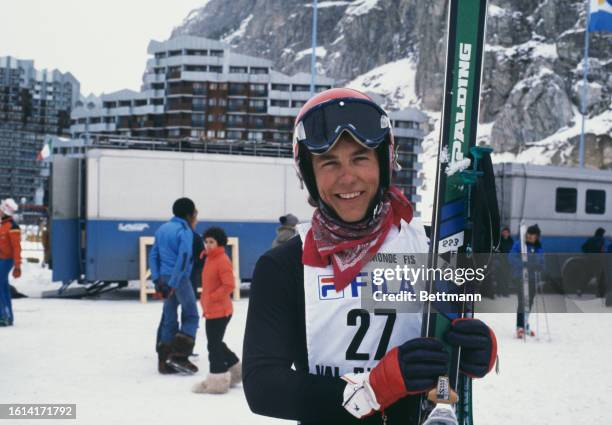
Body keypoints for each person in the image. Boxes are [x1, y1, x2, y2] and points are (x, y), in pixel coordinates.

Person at [242, 88, 497, 424]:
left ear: (384, 161)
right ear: (308, 174)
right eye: (328, 162)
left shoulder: (431, 247)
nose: (347, 177)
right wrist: (373, 389)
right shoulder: (283, 266)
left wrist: (475, 351)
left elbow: (448, 342)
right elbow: (263, 387)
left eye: (360, 157)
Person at [149, 197, 200, 374]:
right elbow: (184, 257)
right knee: (192, 315)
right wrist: (174, 282)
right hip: (179, 278)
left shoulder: (162, 229)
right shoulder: (184, 230)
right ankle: (179, 357)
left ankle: (164, 361)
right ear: (189, 214)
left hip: (163, 277)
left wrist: (157, 280)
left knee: (170, 317)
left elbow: (153, 255)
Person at [193, 226, 241, 394]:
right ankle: (236, 369)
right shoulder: (210, 258)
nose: (208, 245)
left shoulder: (222, 259)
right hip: (212, 309)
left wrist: (212, 297)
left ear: (219, 242)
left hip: (220, 310)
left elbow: (229, 284)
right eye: (206, 241)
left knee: (213, 346)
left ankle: (217, 381)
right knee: (216, 343)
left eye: (211, 242)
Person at [508, 224, 544, 338]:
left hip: (532, 278)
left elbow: (542, 261)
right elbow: (511, 257)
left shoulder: (538, 247)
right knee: (523, 300)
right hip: (520, 276)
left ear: (537, 236)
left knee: (530, 301)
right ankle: (519, 327)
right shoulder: (520, 244)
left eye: (532, 234)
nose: (529, 236)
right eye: (529, 233)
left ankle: (525, 323)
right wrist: (522, 264)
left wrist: (540, 267)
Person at [0, 198, 21, 327]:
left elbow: (16, 247)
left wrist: (17, 266)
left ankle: (4, 315)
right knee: (3, 287)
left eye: (1, 209)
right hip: (1, 260)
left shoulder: (13, 227)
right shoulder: (3, 225)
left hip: (7, 261)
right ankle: (9, 317)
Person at [581, 227, 607, 298]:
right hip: (598, 261)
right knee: (601, 277)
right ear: (601, 233)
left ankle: (580, 290)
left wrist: (587, 254)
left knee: (587, 276)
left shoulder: (590, 239)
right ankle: (600, 294)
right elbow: (602, 250)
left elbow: (583, 247)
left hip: (589, 260)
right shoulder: (601, 240)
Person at [495, 226, 514, 296]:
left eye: (507, 232)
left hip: (508, 262)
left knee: (506, 277)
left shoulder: (511, 241)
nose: (505, 233)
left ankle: (506, 292)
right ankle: (499, 292)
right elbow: (497, 250)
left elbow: (512, 251)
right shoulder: (499, 240)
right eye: (504, 232)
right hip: (500, 261)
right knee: (499, 277)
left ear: (508, 233)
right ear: (502, 233)